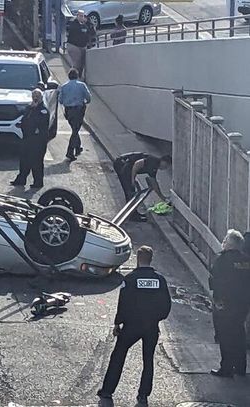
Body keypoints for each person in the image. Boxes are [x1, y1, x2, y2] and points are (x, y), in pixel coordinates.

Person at [97, 246, 171, 406]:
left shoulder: (130, 279)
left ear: (138, 258)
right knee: (148, 360)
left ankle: (107, 391)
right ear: (151, 259)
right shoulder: (160, 280)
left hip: (132, 326)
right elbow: (166, 305)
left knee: (118, 356)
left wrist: (118, 322)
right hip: (151, 326)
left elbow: (123, 303)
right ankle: (143, 395)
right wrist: (156, 319)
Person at [209, 229, 250, 378]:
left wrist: (218, 301)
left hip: (226, 303)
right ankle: (240, 367)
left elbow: (216, 281)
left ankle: (226, 368)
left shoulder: (222, 260)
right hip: (243, 304)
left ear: (230, 244)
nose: (223, 242)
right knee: (239, 332)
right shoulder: (246, 260)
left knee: (225, 335)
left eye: (225, 240)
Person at [113, 152, 172, 221]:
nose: (165, 168)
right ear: (163, 161)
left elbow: (154, 182)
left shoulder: (154, 168)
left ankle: (133, 213)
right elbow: (137, 164)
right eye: (166, 165)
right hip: (122, 164)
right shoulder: (153, 161)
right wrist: (133, 180)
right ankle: (132, 216)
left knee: (131, 192)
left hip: (126, 166)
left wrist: (162, 197)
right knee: (130, 191)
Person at [10, 88, 49, 189]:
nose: (35, 98)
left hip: (38, 141)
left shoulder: (43, 110)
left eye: (37, 96)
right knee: (24, 160)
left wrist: (35, 109)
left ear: (41, 97)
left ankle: (38, 182)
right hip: (27, 138)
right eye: (34, 96)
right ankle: (21, 180)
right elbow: (24, 119)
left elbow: (40, 124)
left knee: (36, 162)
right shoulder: (29, 108)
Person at [58, 68, 91, 161]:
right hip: (79, 110)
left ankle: (78, 147)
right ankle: (70, 151)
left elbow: (60, 100)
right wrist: (85, 101)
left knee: (74, 128)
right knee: (75, 130)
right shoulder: (82, 85)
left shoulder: (64, 86)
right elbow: (88, 97)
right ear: (77, 76)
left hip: (68, 110)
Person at [66, 10, 95, 77]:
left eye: (83, 16)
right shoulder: (74, 24)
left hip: (83, 46)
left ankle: (79, 76)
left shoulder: (85, 25)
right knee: (76, 63)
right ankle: (74, 78)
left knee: (82, 64)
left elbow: (92, 33)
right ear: (77, 16)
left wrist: (89, 23)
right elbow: (77, 31)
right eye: (80, 16)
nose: (82, 17)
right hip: (74, 46)